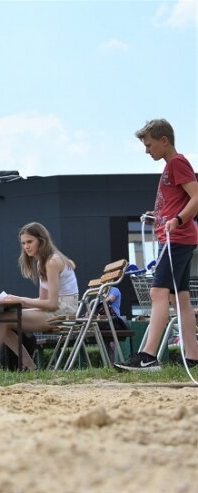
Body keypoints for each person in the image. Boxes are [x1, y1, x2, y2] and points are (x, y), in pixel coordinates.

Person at [117, 119, 198, 371]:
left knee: (157, 293)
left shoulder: (176, 163)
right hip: (179, 238)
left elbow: (197, 196)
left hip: (177, 238)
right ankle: (194, 356)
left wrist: (177, 219)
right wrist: (160, 213)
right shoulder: (171, 165)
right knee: (180, 298)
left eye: (149, 144)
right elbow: (180, 198)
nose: (146, 150)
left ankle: (148, 356)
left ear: (164, 141)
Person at [0, 223, 79, 372]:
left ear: (41, 240)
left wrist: (21, 300)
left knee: (2, 320)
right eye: (23, 243)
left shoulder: (52, 262)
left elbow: (52, 304)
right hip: (58, 310)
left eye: (30, 242)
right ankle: (29, 366)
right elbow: (43, 302)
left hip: (64, 312)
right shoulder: (43, 262)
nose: (26, 246)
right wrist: (18, 303)